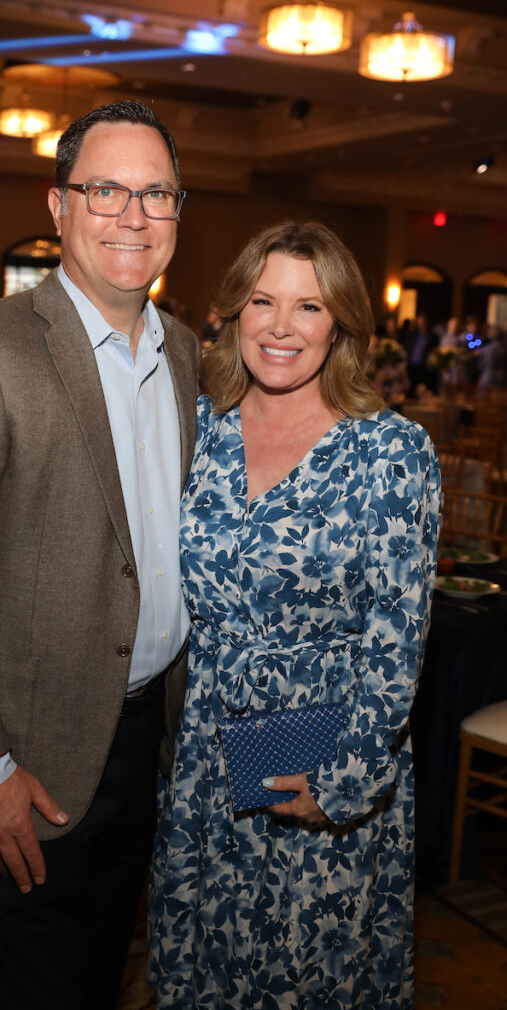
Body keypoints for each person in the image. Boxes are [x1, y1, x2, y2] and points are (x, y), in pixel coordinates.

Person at [0, 100, 199, 1010]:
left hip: (149, 739)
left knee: (100, 973)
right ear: (59, 206)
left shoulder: (185, 354)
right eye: (106, 190)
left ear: (178, 214)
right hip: (30, 754)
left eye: (156, 194)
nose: (132, 215)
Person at [149, 222, 441, 1008]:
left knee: (306, 972)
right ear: (231, 311)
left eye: (307, 306)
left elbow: (396, 639)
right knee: (207, 961)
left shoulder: (389, 451)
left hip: (324, 752)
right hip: (206, 755)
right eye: (262, 301)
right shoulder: (197, 429)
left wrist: (345, 779)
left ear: (339, 323)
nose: (281, 326)